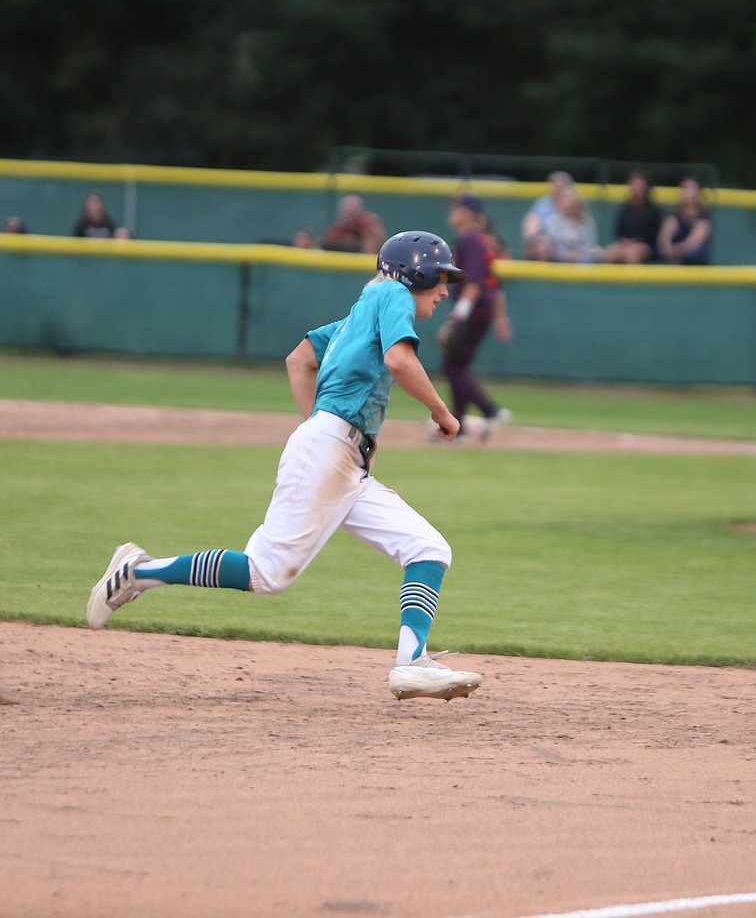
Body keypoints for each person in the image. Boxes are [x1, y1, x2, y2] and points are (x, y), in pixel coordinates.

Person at [85, 231, 484, 702]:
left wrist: (319, 427)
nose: (443, 290)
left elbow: (299, 359)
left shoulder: (360, 313)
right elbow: (399, 360)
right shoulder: (392, 292)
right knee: (266, 573)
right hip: (332, 451)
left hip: (343, 461)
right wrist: (441, 412)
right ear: (412, 273)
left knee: (427, 549)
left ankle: (410, 663)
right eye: (439, 279)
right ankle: (140, 570)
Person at [439, 194, 513, 438]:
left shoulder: (471, 239)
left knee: (452, 367)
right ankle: (458, 427)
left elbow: (474, 284)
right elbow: (496, 285)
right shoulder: (479, 239)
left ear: (469, 212)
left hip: (473, 310)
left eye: (456, 208)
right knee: (457, 366)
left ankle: (490, 411)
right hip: (481, 310)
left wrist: (456, 318)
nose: (452, 213)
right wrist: (500, 318)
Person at [604, 170, 663, 264]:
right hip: (625, 243)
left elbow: (655, 234)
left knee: (631, 253)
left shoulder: (653, 209)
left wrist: (636, 241)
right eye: (634, 184)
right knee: (612, 252)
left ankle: (634, 278)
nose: (636, 188)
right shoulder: (624, 208)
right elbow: (618, 231)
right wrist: (625, 240)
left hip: (646, 245)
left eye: (640, 185)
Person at [657, 177, 713, 265]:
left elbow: (697, 238)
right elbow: (663, 239)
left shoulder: (703, 217)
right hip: (674, 256)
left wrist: (679, 249)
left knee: (696, 253)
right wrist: (668, 248)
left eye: (692, 188)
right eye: (685, 188)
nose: (688, 192)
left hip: (694, 260)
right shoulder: (673, 217)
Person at [521, 170, 575, 261]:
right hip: (548, 243)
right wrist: (533, 239)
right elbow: (532, 224)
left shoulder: (574, 203)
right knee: (542, 245)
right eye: (553, 182)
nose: (557, 186)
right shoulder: (543, 203)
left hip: (570, 244)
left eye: (560, 182)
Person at [543, 185, 601, 263]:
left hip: (583, 260)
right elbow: (552, 244)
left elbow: (590, 243)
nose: (566, 202)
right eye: (563, 199)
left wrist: (579, 254)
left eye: (569, 199)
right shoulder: (551, 220)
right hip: (558, 260)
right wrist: (565, 255)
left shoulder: (587, 220)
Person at [321, 194, 386, 253]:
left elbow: (376, 239)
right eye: (347, 212)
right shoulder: (337, 229)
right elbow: (328, 242)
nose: (349, 215)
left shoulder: (369, 223)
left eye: (353, 211)